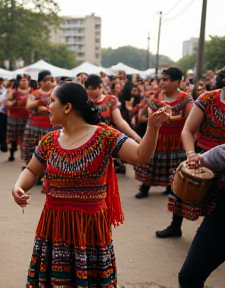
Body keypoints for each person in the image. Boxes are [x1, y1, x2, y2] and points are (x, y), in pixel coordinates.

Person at [12, 82, 170, 288]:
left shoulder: (105, 136)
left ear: (67, 107)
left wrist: (152, 127)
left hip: (90, 228)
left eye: (52, 101)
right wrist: (19, 186)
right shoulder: (48, 141)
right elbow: (32, 170)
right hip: (55, 224)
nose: (47, 106)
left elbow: (141, 156)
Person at [156, 69, 225, 238]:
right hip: (203, 154)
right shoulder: (207, 99)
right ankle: (175, 226)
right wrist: (191, 155)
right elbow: (188, 129)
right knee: (182, 187)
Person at [135, 67, 193, 198]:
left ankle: (171, 188)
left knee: (174, 165)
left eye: (165, 80)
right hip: (157, 137)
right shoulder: (155, 97)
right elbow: (145, 116)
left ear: (177, 81)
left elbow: (190, 119)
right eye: (161, 79)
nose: (161, 82)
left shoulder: (186, 99)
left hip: (176, 140)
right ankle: (145, 188)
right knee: (151, 163)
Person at [177, 145, 225, 287]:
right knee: (190, 276)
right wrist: (194, 160)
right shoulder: (221, 153)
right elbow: (198, 163)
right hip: (221, 219)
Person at [85, 74, 142, 142]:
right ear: (86, 89)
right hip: (88, 139)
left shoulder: (110, 100)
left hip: (106, 138)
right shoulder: (83, 102)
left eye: (100, 87)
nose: (98, 90)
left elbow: (120, 122)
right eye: (94, 88)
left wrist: (134, 136)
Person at [22, 71, 55, 168]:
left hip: (49, 125)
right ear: (40, 82)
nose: (48, 82)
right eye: (45, 80)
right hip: (33, 125)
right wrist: (39, 102)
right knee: (30, 148)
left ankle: (44, 171)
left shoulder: (55, 93)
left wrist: (44, 108)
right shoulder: (34, 93)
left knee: (47, 149)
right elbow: (28, 106)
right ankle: (31, 169)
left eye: (50, 80)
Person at [5, 75, 31, 161]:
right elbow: (7, 104)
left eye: (25, 80)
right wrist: (14, 102)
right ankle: (12, 152)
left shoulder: (32, 92)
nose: (24, 82)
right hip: (14, 118)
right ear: (19, 82)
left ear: (28, 82)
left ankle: (23, 154)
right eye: (22, 80)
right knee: (13, 138)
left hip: (27, 117)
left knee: (25, 137)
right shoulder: (13, 92)